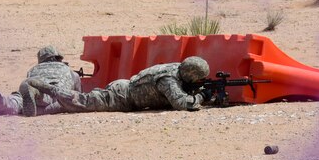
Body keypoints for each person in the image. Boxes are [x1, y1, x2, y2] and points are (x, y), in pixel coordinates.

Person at [26, 56, 210, 115]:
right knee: (83, 102)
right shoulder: (168, 79)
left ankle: (41, 105)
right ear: (190, 74)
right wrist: (202, 96)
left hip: (124, 92)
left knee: (78, 105)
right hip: (121, 97)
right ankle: (43, 87)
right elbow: (181, 103)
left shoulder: (177, 69)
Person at [0, 45, 81, 117]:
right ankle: (33, 100)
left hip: (29, 88)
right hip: (51, 92)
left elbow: (27, 86)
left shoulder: (33, 69)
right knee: (45, 100)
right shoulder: (69, 71)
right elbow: (77, 95)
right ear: (59, 58)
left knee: (16, 101)